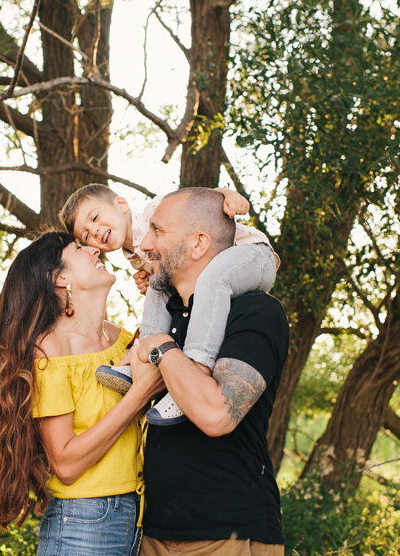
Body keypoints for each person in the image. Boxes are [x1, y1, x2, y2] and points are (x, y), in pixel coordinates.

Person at [0, 231, 162, 556]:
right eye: (80, 248)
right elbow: (64, 464)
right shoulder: (49, 350)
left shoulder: (123, 340)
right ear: (60, 276)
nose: (95, 250)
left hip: (137, 513)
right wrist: (139, 394)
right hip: (84, 520)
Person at [133, 188, 289, 555]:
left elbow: (216, 415)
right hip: (153, 531)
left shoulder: (256, 311)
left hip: (228, 533)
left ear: (198, 243)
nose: (143, 242)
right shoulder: (168, 314)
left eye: (156, 231)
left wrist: (161, 347)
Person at [59, 184, 279, 425]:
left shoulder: (154, 211)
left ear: (121, 205)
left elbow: (201, 199)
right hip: (215, 267)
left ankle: (197, 368)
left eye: (95, 218)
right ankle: (140, 360)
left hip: (253, 256)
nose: (95, 231)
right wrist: (149, 280)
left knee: (213, 278)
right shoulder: (132, 255)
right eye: (87, 235)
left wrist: (230, 196)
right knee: (157, 285)